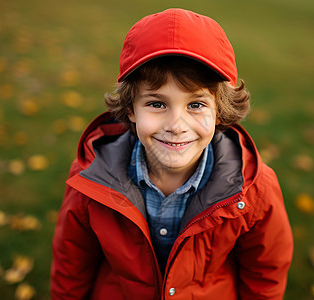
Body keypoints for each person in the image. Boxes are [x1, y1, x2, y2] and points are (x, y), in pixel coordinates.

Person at [51, 8, 293, 300]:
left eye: (196, 105)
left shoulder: (254, 190)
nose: (176, 126)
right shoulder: (90, 180)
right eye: (156, 104)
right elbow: (71, 266)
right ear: (130, 109)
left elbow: (265, 274)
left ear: (219, 111)